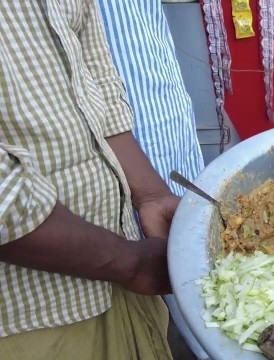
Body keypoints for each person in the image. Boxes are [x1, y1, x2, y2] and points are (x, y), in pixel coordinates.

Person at [0, 1, 177, 358]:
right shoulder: (127, 262)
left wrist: (150, 195)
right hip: (32, 320)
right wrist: (126, 261)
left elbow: (95, 72)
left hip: (125, 279)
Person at [96, 1, 208, 359]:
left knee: (198, 292)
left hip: (167, 131)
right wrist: (124, 260)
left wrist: (150, 194)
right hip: (117, 162)